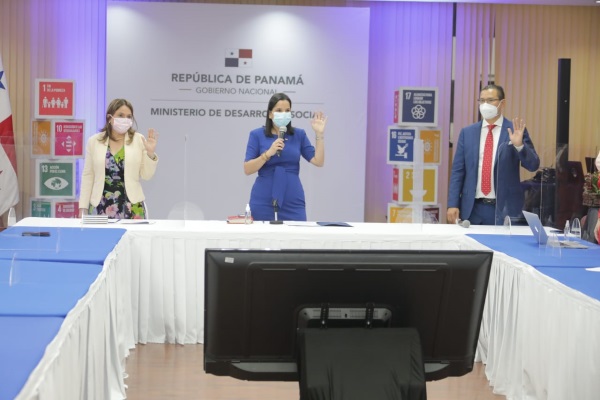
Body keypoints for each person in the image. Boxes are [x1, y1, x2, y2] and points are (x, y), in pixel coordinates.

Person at [447, 84, 540, 225]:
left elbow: (533, 165)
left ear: (502, 103)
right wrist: (453, 203)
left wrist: (519, 146)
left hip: (504, 208)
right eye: (482, 100)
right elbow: (458, 171)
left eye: (490, 100)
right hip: (472, 209)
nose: (485, 105)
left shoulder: (515, 130)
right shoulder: (467, 133)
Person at [244, 93, 326, 221]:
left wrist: (319, 134)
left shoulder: (299, 134)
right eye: (279, 110)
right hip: (263, 199)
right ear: (270, 114)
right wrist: (268, 153)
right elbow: (247, 169)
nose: (284, 114)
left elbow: (318, 161)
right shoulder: (256, 135)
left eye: (287, 111)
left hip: (293, 200)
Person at [79, 98, 159, 219]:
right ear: (109, 117)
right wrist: (83, 207)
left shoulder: (138, 140)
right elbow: (88, 176)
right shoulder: (94, 141)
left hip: (132, 207)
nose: (125, 119)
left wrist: (150, 153)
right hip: (100, 206)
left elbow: (146, 175)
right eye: (121, 115)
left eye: (129, 117)